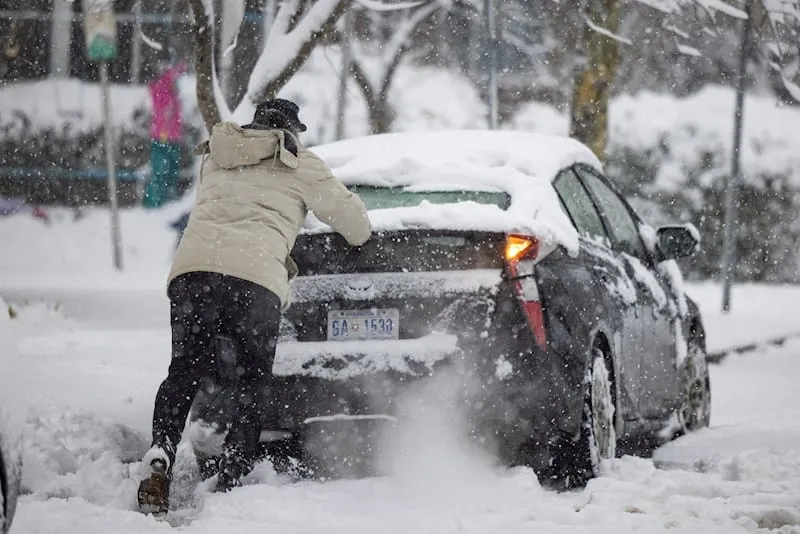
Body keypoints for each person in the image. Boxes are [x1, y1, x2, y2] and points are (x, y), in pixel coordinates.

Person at [137, 98, 372, 514]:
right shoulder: (301, 163)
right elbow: (356, 228)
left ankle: (161, 450)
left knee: (184, 370)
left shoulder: (217, 154)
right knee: (252, 380)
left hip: (193, 275)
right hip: (254, 281)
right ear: (291, 131)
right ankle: (231, 470)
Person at [142, 60, 186, 209]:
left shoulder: (171, 90)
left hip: (172, 138)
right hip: (162, 137)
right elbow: (163, 112)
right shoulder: (161, 87)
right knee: (160, 172)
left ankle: (165, 204)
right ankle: (154, 204)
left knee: (170, 173)